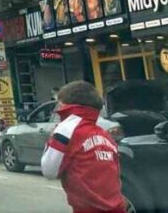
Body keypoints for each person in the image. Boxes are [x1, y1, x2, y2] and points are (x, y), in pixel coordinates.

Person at [41, 81, 125, 213]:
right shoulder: (105, 136)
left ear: (65, 105)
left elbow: (49, 170)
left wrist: (51, 139)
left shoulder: (66, 129)